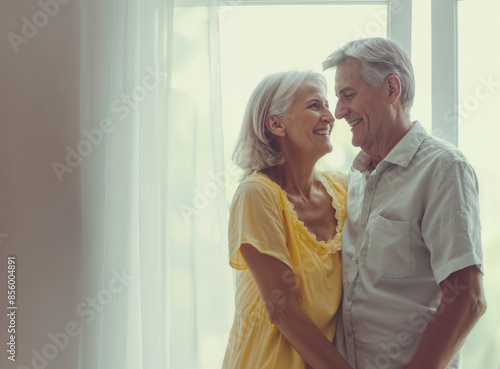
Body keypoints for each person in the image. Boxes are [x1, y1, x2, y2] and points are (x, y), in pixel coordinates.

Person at [322, 37, 487, 369]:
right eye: (337, 98)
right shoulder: (354, 179)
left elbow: (467, 299)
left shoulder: (443, 168)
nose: (338, 111)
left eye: (348, 95)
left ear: (392, 89)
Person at [222, 71, 352, 369]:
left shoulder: (342, 189)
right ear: (276, 124)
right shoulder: (257, 194)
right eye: (314, 106)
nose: (330, 116)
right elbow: (282, 310)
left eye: (327, 105)